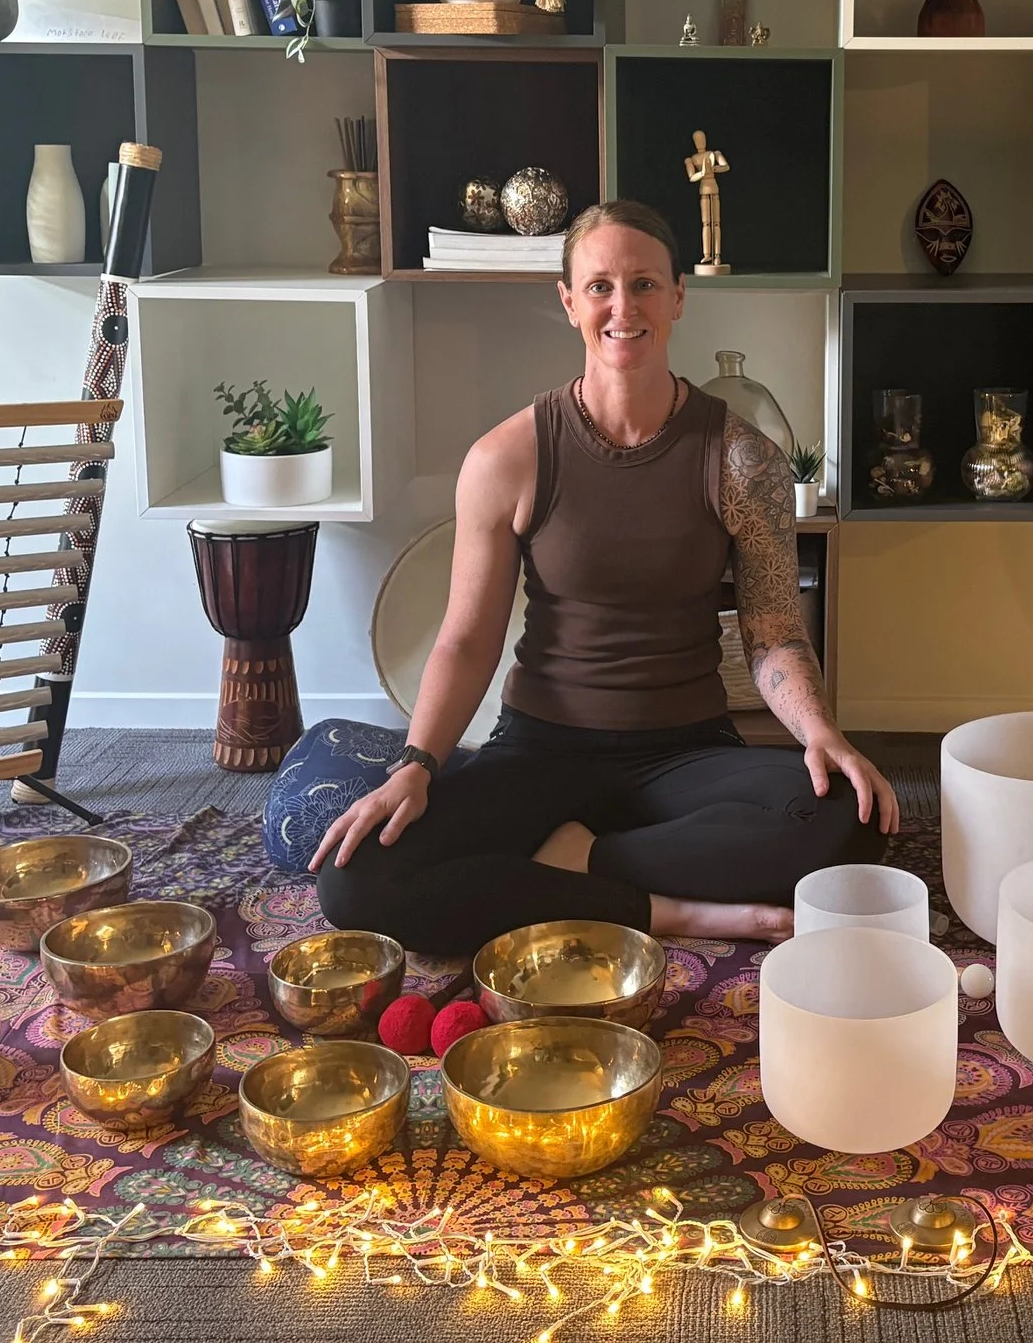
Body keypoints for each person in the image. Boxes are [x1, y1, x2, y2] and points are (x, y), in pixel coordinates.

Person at [311, 199, 898, 955]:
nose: (624, 307)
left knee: (848, 819)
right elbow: (465, 638)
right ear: (568, 302)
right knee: (357, 881)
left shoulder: (743, 458)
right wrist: (416, 767)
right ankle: (667, 910)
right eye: (600, 287)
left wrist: (823, 735)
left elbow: (774, 632)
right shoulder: (507, 457)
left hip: (686, 752)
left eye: (646, 284)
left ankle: (573, 867)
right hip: (541, 750)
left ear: (679, 295)